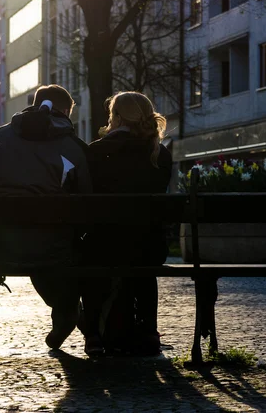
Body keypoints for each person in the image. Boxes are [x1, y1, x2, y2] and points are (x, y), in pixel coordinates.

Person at [0, 84, 92, 351]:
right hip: (57, 249)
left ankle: (69, 315)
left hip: (4, 248)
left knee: (33, 243)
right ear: (65, 111)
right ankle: (77, 317)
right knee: (58, 247)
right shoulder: (73, 147)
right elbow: (88, 203)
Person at [82, 91, 172, 356]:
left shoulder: (97, 151)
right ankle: (148, 330)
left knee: (93, 263)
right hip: (149, 246)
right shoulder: (159, 154)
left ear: (117, 118)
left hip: (104, 244)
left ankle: (94, 335)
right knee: (144, 267)